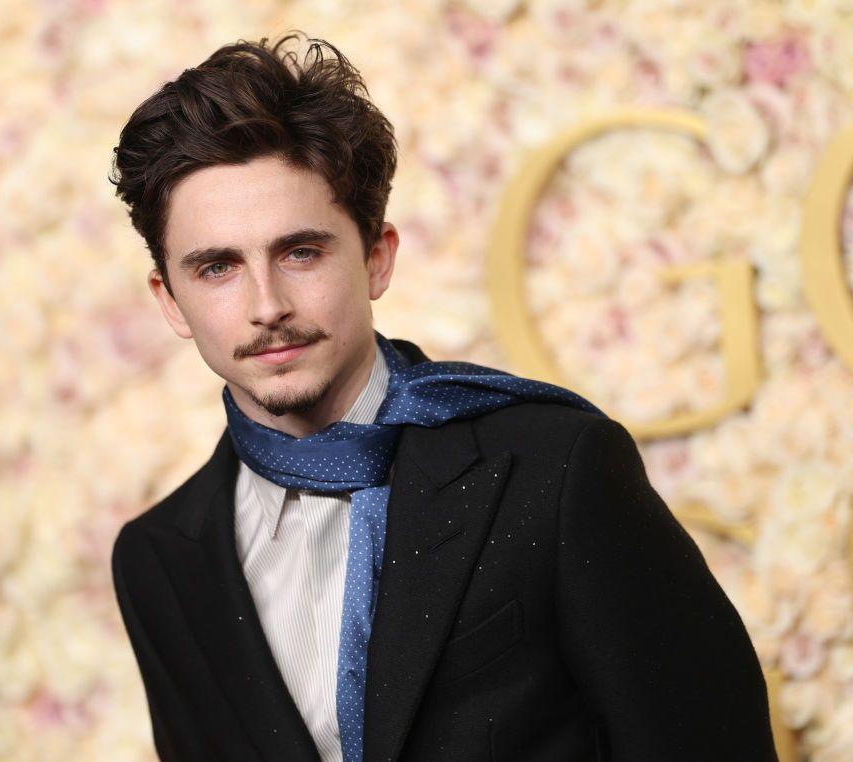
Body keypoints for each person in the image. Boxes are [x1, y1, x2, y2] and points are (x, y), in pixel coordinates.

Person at [107, 31, 778, 762]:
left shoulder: (554, 469)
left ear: (376, 257)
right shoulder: (158, 560)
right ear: (169, 300)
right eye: (217, 268)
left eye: (301, 251)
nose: (266, 305)